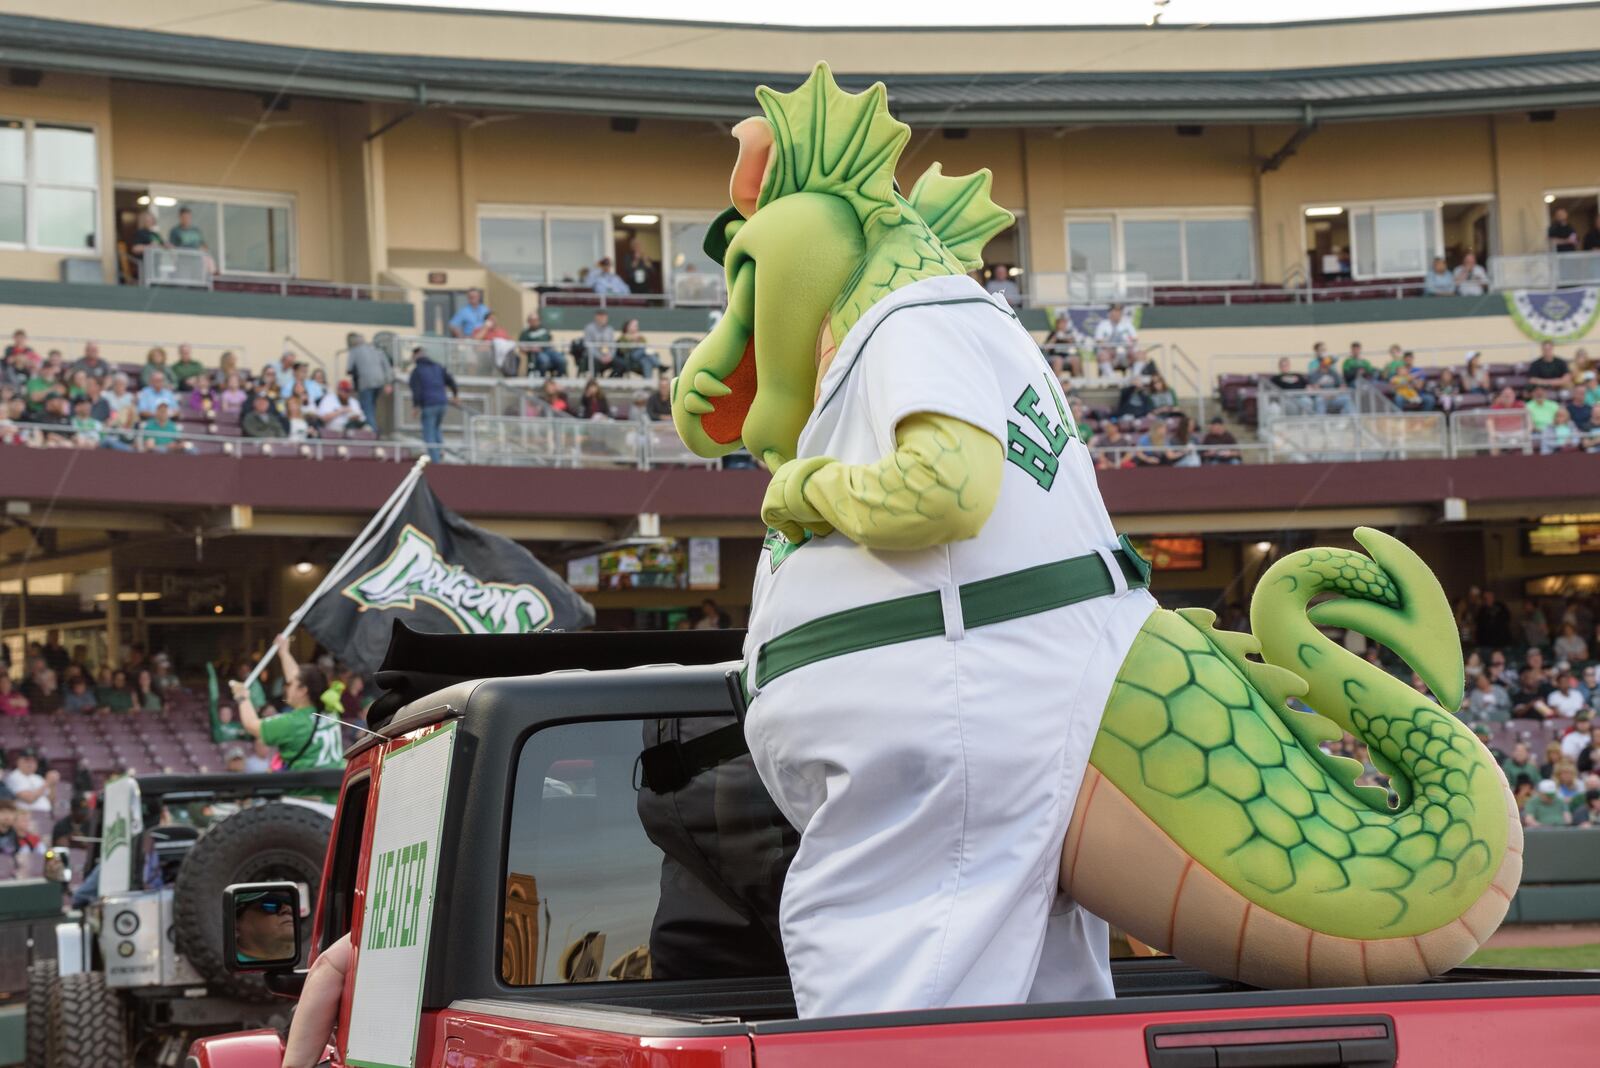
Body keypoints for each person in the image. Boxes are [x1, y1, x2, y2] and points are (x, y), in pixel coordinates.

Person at [229, 637, 345, 780]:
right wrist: (284, 653)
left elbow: (252, 725)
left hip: (306, 797)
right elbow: (298, 677)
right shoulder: (330, 709)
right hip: (335, 795)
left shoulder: (293, 723)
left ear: (303, 691)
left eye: (289, 685)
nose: (286, 687)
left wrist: (243, 697)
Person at [408, 347, 458, 462]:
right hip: (442, 403)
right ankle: (440, 452)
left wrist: (415, 406)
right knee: (436, 429)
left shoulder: (417, 371)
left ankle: (436, 461)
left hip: (429, 404)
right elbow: (451, 381)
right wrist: (455, 395)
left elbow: (417, 390)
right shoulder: (438, 367)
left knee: (429, 434)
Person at [233, 889, 298, 963]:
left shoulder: (308, 964)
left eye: (290, 903)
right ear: (236, 921)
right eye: (271, 903)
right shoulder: (229, 970)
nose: (288, 909)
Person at [345, 333, 393, 430]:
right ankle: (373, 430)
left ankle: (372, 433)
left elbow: (349, 368)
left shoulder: (354, 350)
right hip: (380, 382)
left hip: (365, 383)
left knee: (367, 409)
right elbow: (387, 366)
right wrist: (388, 383)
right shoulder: (376, 350)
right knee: (373, 407)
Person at [5, 750, 59, 822]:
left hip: (45, 815)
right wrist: (48, 782)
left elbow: (51, 800)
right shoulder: (15, 776)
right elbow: (29, 799)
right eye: (27, 760)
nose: (30, 763)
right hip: (27, 817)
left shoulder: (38, 778)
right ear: (18, 761)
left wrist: (53, 785)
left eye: (33, 761)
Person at [1092, 304, 1136, 376]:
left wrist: (1128, 347)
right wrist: (1110, 349)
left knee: (1140, 354)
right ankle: (1112, 378)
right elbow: (1099, 340)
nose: (1117, 314)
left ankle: (1135, 378)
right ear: (1110, 313)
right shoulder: (1103, 324)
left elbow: (1134, 339)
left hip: (1125, 353)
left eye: (1119, 311)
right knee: (1103, 355)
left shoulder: (1127, 324)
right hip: (1109, 353)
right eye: (1115, 311)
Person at [581, 310, 618, 376]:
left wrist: (610, 356)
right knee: (593, 363)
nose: (603, 319)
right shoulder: (589, 328)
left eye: (605, 317)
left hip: (608, 356)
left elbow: (613, 345)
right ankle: (594, 383)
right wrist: (600, 357)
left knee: (621, 364)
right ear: (596, 317)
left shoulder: (610, 329)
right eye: (601, 316)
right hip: (594, 357)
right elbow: (589, 346)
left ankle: (611, 380)